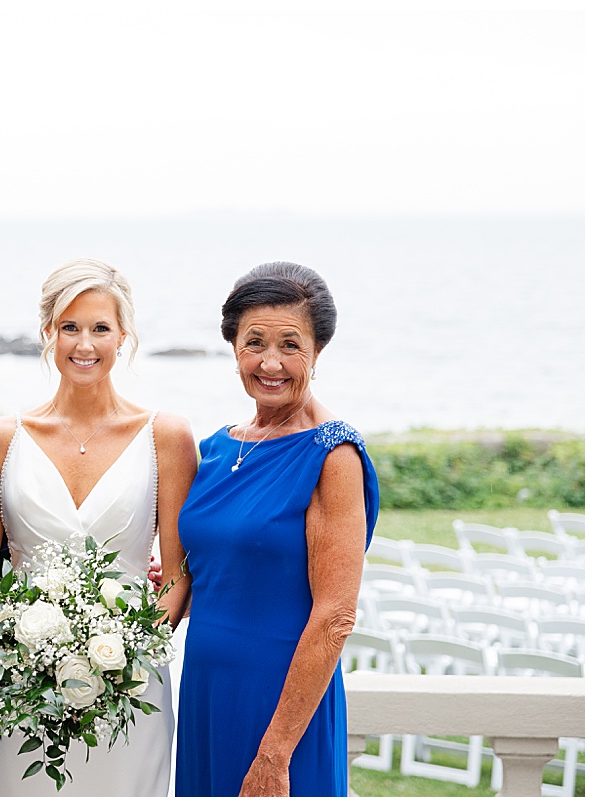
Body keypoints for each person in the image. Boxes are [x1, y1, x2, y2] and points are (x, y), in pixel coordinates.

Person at [0, 258, 198, 796]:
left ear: (124, 336)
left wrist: (126, 653)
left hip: (132, 687)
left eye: (100, 328)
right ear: (48, 333)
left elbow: (178, 573)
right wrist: (17, 653)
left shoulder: (164, 436)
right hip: (24, 690)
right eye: (70, 327)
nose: (85, 343)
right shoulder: (3, 437)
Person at [173, 261, 380, 797]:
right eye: (254, 342)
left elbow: (336, 615)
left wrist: (275, 754)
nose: (271, 362)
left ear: (318, 350)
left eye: (290, 344)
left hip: (282, 706)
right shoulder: (218, 448)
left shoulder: (331, 456)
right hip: (206, 689)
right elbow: (223, 568)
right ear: (233, 347)